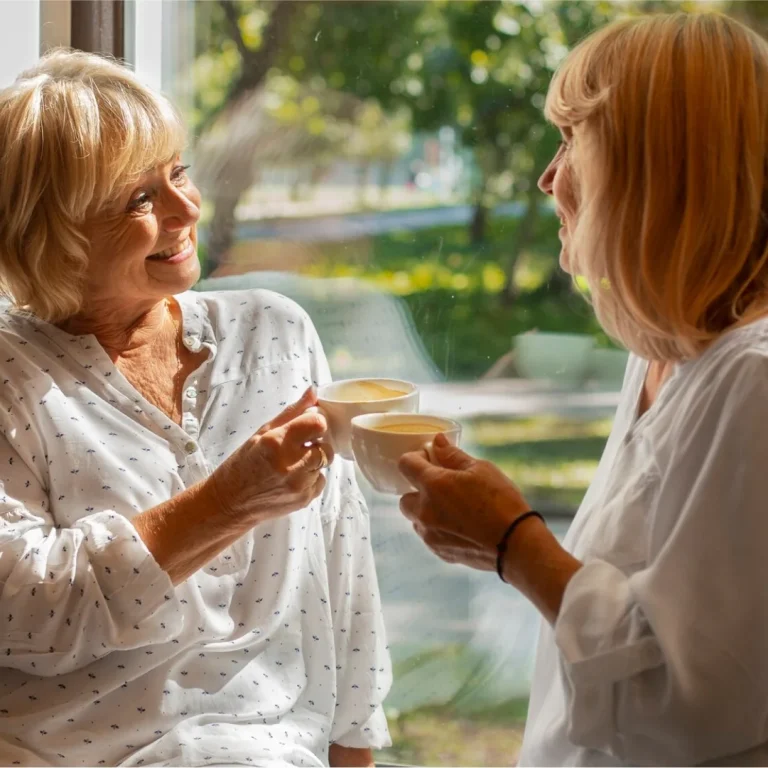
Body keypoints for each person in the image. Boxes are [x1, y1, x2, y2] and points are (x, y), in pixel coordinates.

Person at [0, 50, 391, 767]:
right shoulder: (9, 376)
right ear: (47, 229)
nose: (186, 209)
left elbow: (343, 568)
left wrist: (355, 750)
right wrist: (225, 504)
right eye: (138, 199)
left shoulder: (276, 332)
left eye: (178, 173)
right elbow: (24, 609)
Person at [398, 12, 768, 766]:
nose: (547, 177)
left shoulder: (754, 380)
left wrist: (514, 543)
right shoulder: (665, 353)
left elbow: (693, 708)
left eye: (571, 141)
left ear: (651, 168)